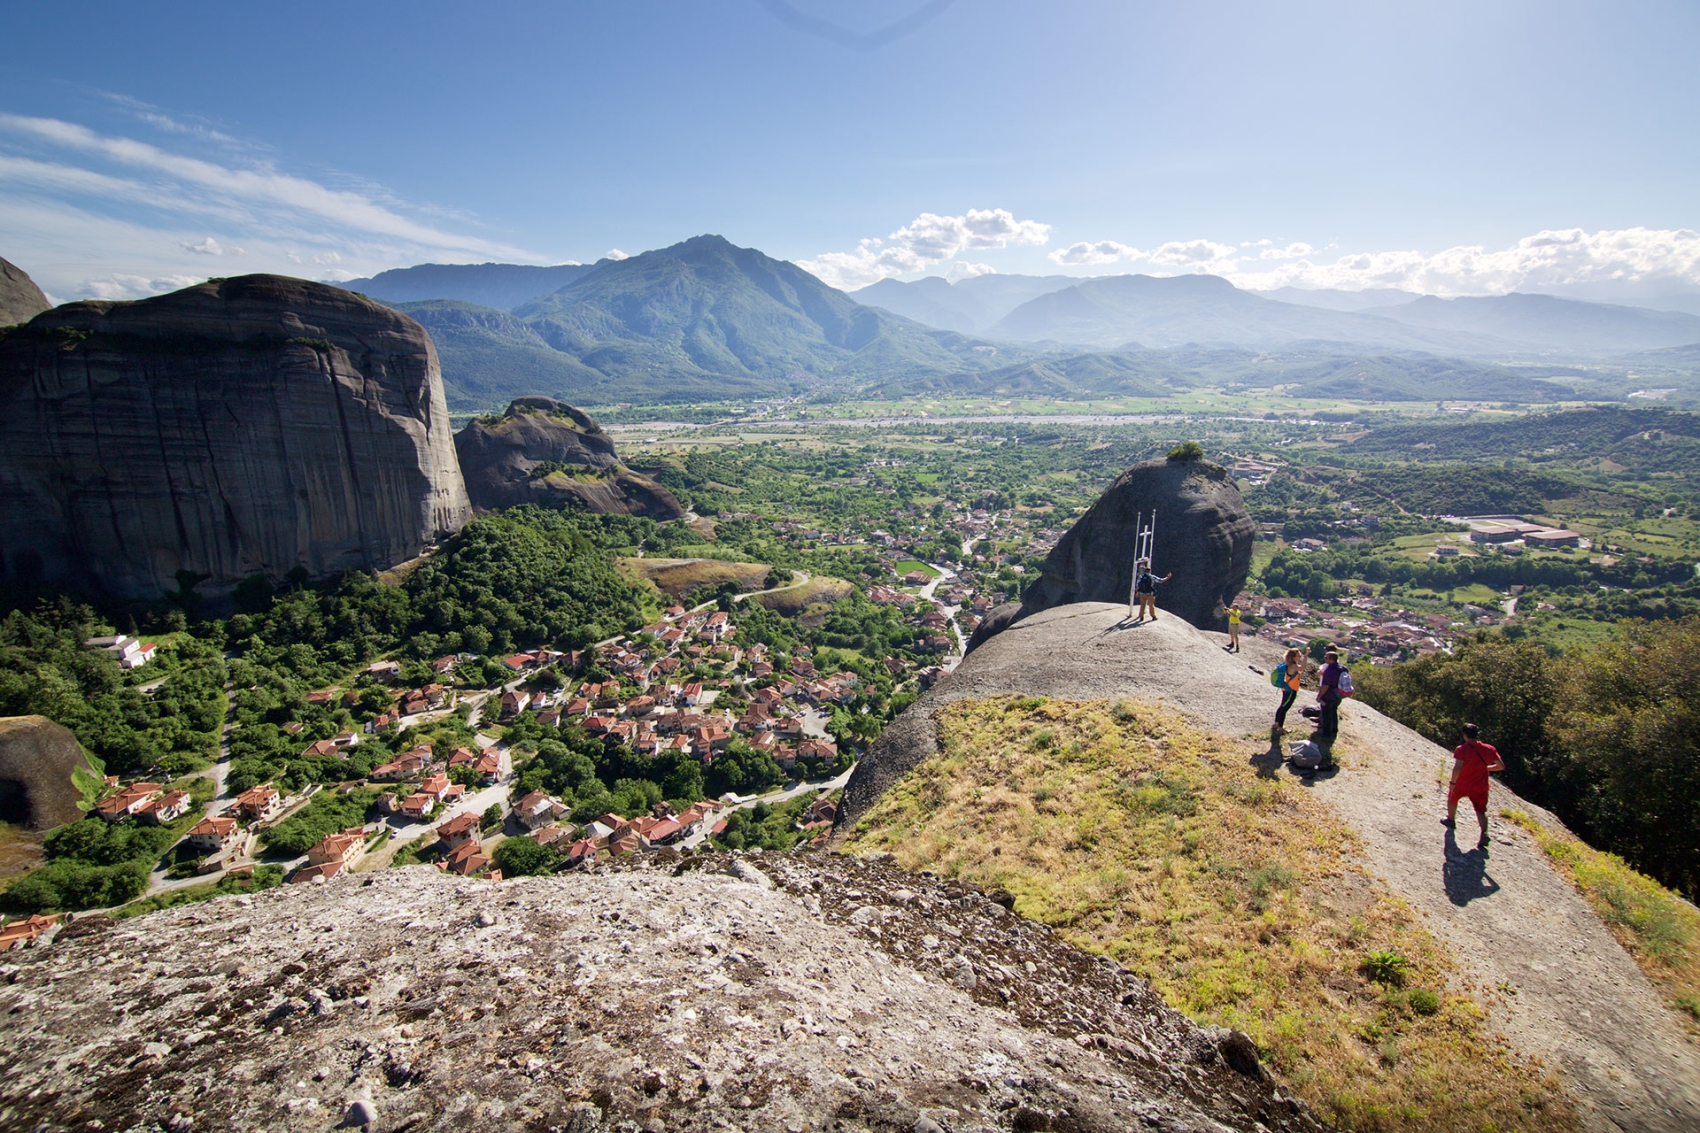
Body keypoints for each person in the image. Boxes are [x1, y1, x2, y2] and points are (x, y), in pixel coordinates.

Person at [1445, 723, 1506, 849]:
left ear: (1465, 735)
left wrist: (1452, 782)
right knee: (1480, 810)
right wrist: (1486, 768)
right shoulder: (1489, 749)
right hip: (1480, 786)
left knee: (1452, 799)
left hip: (1462, 783)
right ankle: (1484, 833)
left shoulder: (1461, 749)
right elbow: (1501, 766)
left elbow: (1457, 768)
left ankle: (1451, 821)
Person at [1314, 647, 1343, 745]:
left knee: (1326, 715)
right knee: (1334, 713)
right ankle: (1334, 731)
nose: (1325, 659)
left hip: (1329, 695)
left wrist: (1319, 696)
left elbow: (1326, 685)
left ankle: (1326, 735)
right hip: (1338, 695)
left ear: (1331, 660)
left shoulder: (1329, 670)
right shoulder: (1342, 668)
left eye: (1326, 658)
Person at [1271, 647, 1303, 731]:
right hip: (1291, 691)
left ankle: (1276, 724)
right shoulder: (1292, 666)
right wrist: (1306, 656)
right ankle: (1280, 728)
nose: (1300, 658)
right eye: (1298, 656)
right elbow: (1303, 667)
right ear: (1292, 657)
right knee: (1284, 708)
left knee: (1282, 706)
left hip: (1286, 689)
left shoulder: (1288, 664)